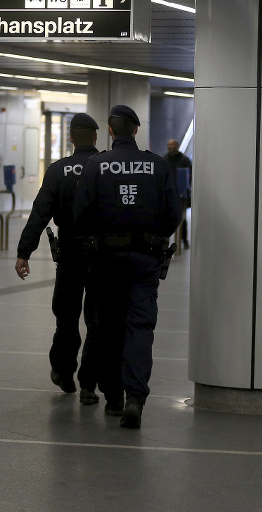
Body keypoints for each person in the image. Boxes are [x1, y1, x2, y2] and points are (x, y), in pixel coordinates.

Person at [73, 105, 183, 428]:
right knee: (139, 328)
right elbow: (174, 214)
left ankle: (114, 397)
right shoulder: (158, 165)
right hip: (145, 261)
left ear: (109, 131)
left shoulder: (95, 165)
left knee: (107, 327)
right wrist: (152, 237)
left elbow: (81, 215)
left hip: (105, 262)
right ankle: (135, 397)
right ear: (136, 130)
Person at [15, 113, 101, 404]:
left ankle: (63, 372)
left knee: (66, 316)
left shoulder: (58, 170)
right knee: (97, 318)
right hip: (102, 253)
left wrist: (24, 252)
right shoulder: (106, 167)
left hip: (70, 252)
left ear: (71, 138)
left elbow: (39, 212)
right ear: (96, 137)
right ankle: (90, 383)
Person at [164, 138, 192, 248]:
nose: (169, 146)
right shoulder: (164, 159)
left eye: (172, 144)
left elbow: (189, 176)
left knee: (182, 218)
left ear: (177, 146)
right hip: (168, 195)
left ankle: (184, 239)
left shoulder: (184, 160)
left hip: (182, 194)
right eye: (168, 144)